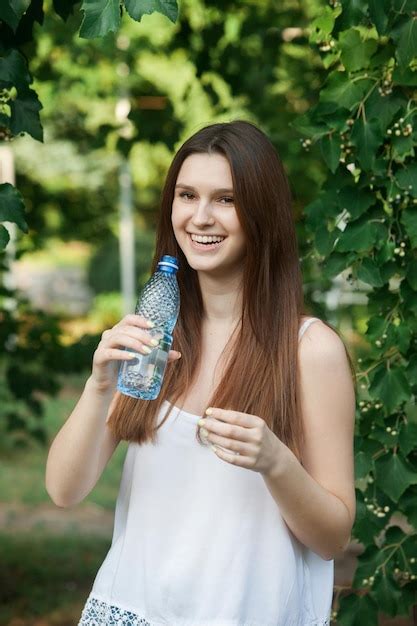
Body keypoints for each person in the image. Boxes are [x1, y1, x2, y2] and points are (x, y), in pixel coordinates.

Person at [45, 120, 356, 626]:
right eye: (187, 195)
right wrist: (99, 387)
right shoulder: (153, 336)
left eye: (226, 199)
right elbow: (63, 491)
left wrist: (276, 461)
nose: (201, 216)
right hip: (128, 611)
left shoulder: (309, 350)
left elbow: (333, 537)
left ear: (262, 213)